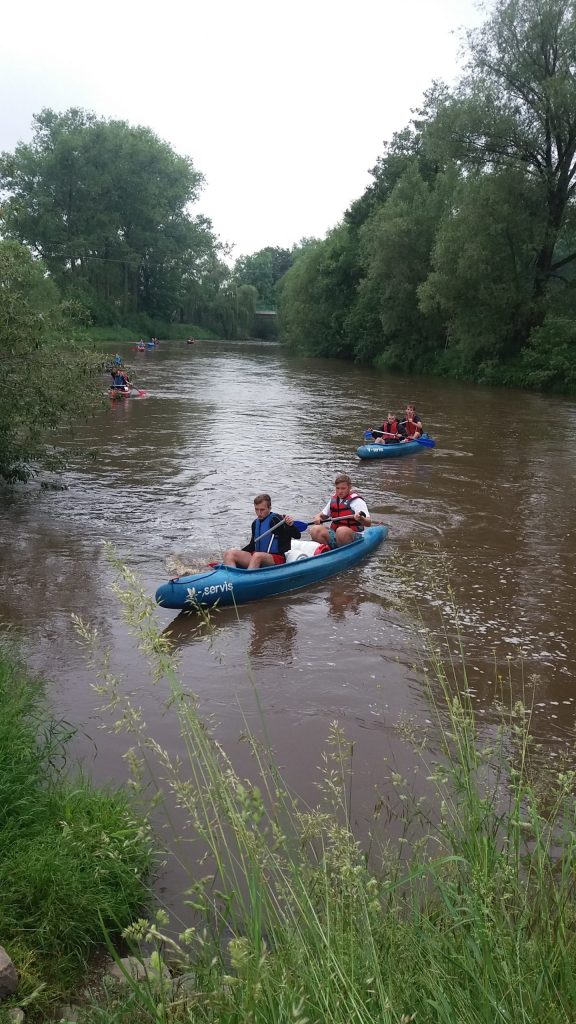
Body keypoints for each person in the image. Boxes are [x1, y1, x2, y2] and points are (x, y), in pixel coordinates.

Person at [223, 494, 301, 569]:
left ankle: (249, 578)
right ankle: (230, 580)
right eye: (256, 509)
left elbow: (297, 536)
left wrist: (290, 525)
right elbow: (253, 545)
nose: (259, 513)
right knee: (230, 553)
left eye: (262, 510)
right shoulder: (255, 523)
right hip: (257, 557)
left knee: (257, 556)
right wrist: (239, 554)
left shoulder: (277, 520)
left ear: (269, 508)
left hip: (276, 559)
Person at [309, 473, 371, 549]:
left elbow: (368, 523)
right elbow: (323, 516)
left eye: (343, 488)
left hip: (353, 536)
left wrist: (361, 519)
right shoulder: (334, 499)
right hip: (335, 534)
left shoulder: (357, 501)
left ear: (349, 488)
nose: (340, 491)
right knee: (315, 529)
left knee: (341, 531)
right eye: (337, 488)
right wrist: (318, 517)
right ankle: (326, 551)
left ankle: (345, 552)